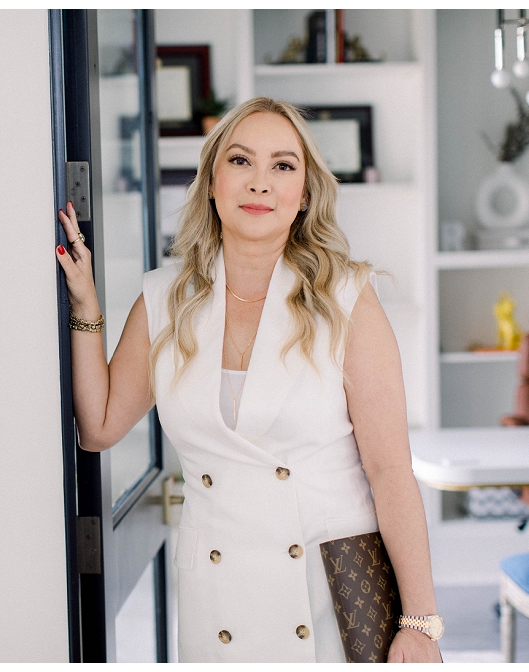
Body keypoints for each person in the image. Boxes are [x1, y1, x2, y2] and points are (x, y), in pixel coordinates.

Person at [55, 97, 442, 663]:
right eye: (240, 161)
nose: (260, 183)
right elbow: (99, 426)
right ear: (212, 181)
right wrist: (85, 305)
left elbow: (390, 470)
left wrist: (420, 621)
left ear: (304, 194)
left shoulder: (348, 298)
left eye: (283, 166)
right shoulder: (165, 298)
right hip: (219, 602)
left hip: (330, 588)